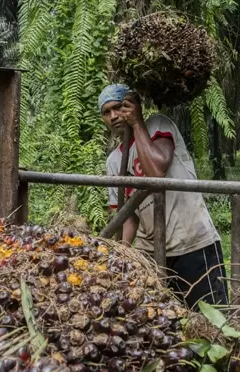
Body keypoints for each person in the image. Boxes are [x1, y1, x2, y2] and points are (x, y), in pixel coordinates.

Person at [98, 83, 229, 308]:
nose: (113, 116)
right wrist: (120, 253)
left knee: (211, 319)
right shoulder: (114, 162)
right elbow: (127, 216)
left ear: (133, 106)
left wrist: (137, 123)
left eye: (119, 108)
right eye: (106, 112)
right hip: (149, 252)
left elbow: (156, 172)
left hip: (190, 242)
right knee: (161, 322)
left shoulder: (158, 124)